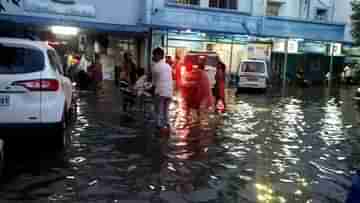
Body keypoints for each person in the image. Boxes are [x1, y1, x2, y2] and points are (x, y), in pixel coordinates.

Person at [152, 47, 173, 129]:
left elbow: (154, 82)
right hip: (169, 92)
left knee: (159, 110)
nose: (153, 57)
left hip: (160, 92)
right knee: (166, 110)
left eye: (154, 55)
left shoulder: (156, 67)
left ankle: (159, 126)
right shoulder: (168, 66)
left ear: (159, 55)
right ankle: (167, 124)